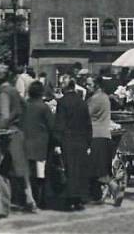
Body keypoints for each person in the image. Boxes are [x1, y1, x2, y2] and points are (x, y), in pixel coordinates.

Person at [0, 64, 38, 211]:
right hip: (18, 132)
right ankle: (29, 199)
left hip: (7, 134)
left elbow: (4, 116)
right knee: (20, 169)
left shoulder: (4, 93)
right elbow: (24, 107)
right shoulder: (15, 91)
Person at [54, 74, 92, 211]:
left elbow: (60, 124)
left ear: (65, 86)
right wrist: (88, 142)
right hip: (81, 140)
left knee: (69, 170)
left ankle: (70, 200)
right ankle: (79, 200)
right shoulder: (82, 102)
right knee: (80, 170)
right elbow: (88, 124)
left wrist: (57, 143)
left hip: (67, 140)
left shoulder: (62, 103)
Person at [85, 75, 119, 204]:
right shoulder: (105, 97)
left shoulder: (95, 99)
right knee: (99, 167)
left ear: (96, 85)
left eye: (89, 84)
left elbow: (85, 114)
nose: (87, 86)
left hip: (96, 135)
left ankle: (114, 187)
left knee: (97, 168)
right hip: (104, 133)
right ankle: (96, 195)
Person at [22, 80, 55, 208]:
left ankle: (29, 198)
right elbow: (51, 126)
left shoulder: (24, 105)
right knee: (40, 175)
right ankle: (40, 200)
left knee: (28, 174)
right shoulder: (44, 107)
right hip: (41, 145)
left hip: (25, 143)